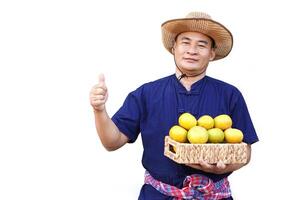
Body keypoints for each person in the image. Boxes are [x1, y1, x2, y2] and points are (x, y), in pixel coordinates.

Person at [89, 11, 259, 200]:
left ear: (211, 53)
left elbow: (245, 152)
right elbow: (112, 142)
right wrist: (99, 110)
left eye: (201, 45)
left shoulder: (230, 95)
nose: (192, 50)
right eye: (185, 42)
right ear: (173, 48)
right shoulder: (146, 93)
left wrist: (227, 166)